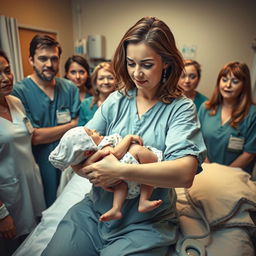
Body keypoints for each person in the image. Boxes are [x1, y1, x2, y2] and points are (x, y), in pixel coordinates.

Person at [42, 16, 206, 256]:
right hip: (95, 212)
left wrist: (118, 171)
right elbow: (80, 154)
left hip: (146, 223)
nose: (137, 73)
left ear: (167, 63)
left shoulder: (181, 108)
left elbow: (184, 173)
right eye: (131, 63)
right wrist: (91, 168)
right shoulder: (117, 99)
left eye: (147, 64)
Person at [12, 35, 80, 207]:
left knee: (70, 207)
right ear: (31, 60)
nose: (49, 65)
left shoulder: (69, 88)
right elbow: (34, 137)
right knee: (43, 211)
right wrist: (70, 125)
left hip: (70, 163)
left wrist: (71, 126)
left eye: (54, 59)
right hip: (38, 165)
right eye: (42, 59)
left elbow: (78, 126)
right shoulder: (18, 93)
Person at [49, 126, 163, 222]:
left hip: (128, 187)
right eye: (91, 133)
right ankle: (143, 200)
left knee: (120, 186)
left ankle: (116, 208)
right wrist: (129, 138)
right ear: (88, 150)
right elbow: (116, 153)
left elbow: (80, 168)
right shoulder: (103, 145)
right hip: (136, 167)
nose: (94, 130)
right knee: (139, 152)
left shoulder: (90, 160)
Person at [0, 50, 45, 255]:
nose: (5, 78)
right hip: (8, 199)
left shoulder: (15, 102)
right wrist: (1, 214)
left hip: (31, 187)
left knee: (33, 244)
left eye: (7, 71)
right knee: (12, 248)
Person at [198, 61, 256, 174]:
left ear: (244, 85)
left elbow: (249, 154)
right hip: (205, 173)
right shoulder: (206, 108)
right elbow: (197, 142)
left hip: (236, 177)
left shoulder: (252, 114)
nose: (227, 85)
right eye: (224, 80)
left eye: (235, 81)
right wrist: (209, 169)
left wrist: (222, 174)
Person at [78, 62, 116, 126]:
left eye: (110, 78)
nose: (106, 82)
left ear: (117, 81)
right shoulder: (86, 104)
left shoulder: (123, 104)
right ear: (95, 82)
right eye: (101, 78)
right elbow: (81, 131)